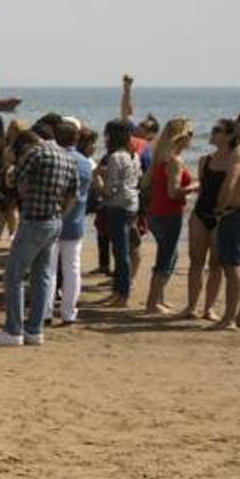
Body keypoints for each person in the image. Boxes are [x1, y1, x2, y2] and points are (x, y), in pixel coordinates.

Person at [0, 128, 79, 347]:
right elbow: (74, 194)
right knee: (42, 275)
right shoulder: (66, 156)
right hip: (54, 220)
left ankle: (13, 330)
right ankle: (35, 329)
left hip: (33, 219)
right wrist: (60, 214)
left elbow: (17, 184)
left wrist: (11, 165)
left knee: (14, 276)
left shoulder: (32, 154)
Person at [181, 119, 235, 320]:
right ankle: (191, 307)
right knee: (196, 261)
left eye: (217, 130)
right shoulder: (205, 160)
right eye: (212, 129)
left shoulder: (235, 161)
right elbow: (203, 188)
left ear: (229, 136)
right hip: (200, 213)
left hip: (222, 217)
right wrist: (189, 189)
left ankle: (209, 308)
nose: (211, 133)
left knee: (216, 264)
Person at [143, 118, 198, 316]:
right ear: (182, 137)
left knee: (169, 255)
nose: (192, 139)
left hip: (155, 213)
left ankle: (158, 299)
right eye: (190, 135)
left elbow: (145, 184)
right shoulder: (175, 160)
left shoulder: (159, 157)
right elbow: (173, 192)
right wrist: (195, 186)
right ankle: (152, 303)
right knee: (167, 257)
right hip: (168, 214)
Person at [50, 120, 95, 325]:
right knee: (72, 269)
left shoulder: (54, 159)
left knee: (48, 268)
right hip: (75, 221)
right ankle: (69, 311)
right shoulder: (85, 162)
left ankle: (45, 311)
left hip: (51, 218)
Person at [212, 106, 240, 329]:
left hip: (236, 212)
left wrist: (220, 208)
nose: (236, 123)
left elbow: (231, 182)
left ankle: (229, 318)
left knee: (233, 266)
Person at [94, 120, 141, 309]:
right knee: (122, 251)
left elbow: (110, 189)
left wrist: (96, 181)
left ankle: (123, 294)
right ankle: (118, 292)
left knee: (121, 253)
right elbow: (132, 178)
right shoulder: (133, 155)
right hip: (131, 204)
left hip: (118, 206)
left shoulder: (115, 156)